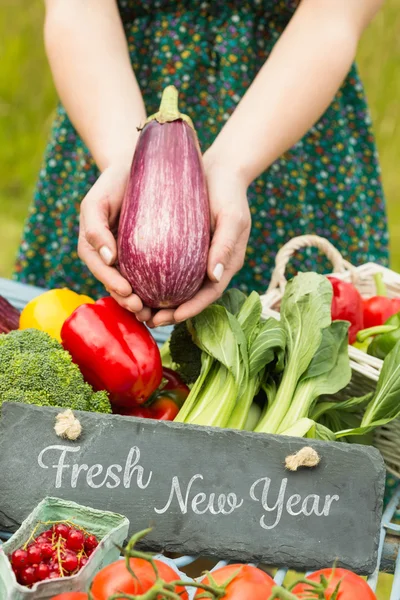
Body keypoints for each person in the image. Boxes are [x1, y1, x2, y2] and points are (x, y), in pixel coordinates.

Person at [14, 0, 388, 328]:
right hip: (109, 106)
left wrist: (231, 169)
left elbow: (334, 15)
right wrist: (127, 162)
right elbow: (76, 7)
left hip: (287, 114)